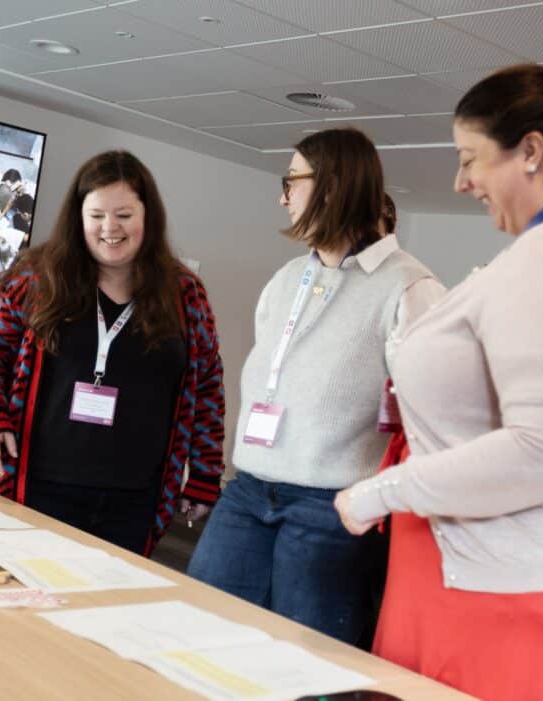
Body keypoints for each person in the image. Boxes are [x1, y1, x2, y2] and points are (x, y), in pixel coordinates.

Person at [333, 40, 543, 699]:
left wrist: (379, 493)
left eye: (469, 158)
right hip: (506, 577)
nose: (461, 182)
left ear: (531, 151)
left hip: (525, 594)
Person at [186, 127, 443, 644]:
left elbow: (433, 417)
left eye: (291, 181)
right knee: (201, 629)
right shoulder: (286, 278)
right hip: (249, 488)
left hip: (329, 505)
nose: (282, 197)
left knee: (308, 659)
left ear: (331, 186)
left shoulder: (410, 287)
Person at [0, 150, 225, 555]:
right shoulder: (39, 277)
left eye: (124, 215)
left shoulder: (184, 293)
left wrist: (205, 472)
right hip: (34, 487)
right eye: (97, 215)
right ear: (78, 217)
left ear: (148, 216)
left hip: (135, 500)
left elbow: (206, 386)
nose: (110, 228)